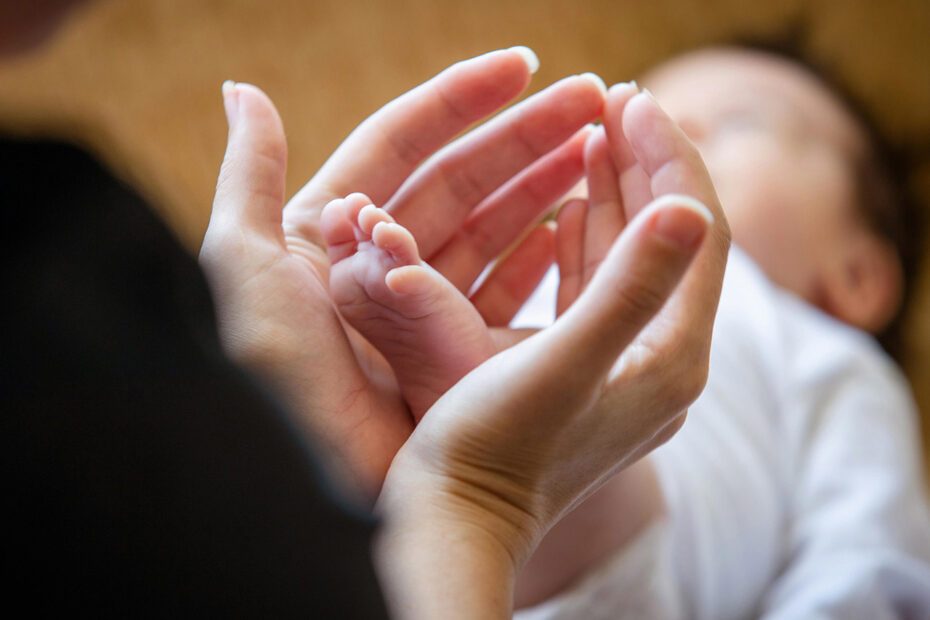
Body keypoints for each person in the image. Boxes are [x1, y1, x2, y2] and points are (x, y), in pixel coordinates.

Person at [4, 2, 731, 618]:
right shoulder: (52, 285)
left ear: (848, 271)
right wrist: (480, 496)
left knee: (588, 479)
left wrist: (306, 438)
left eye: (747, 125)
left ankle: (457, 389)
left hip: (590, 491)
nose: (691, 126)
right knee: (583, 479)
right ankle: (457, 386)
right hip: (552, 491)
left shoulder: (815, 350)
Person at [505, 48, 930, 619]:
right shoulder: (517, 280)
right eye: (632, 118)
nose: (666, 134)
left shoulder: (831, 359)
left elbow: (865, 563)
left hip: (629, 578)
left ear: (855, 278)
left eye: (741, 122)